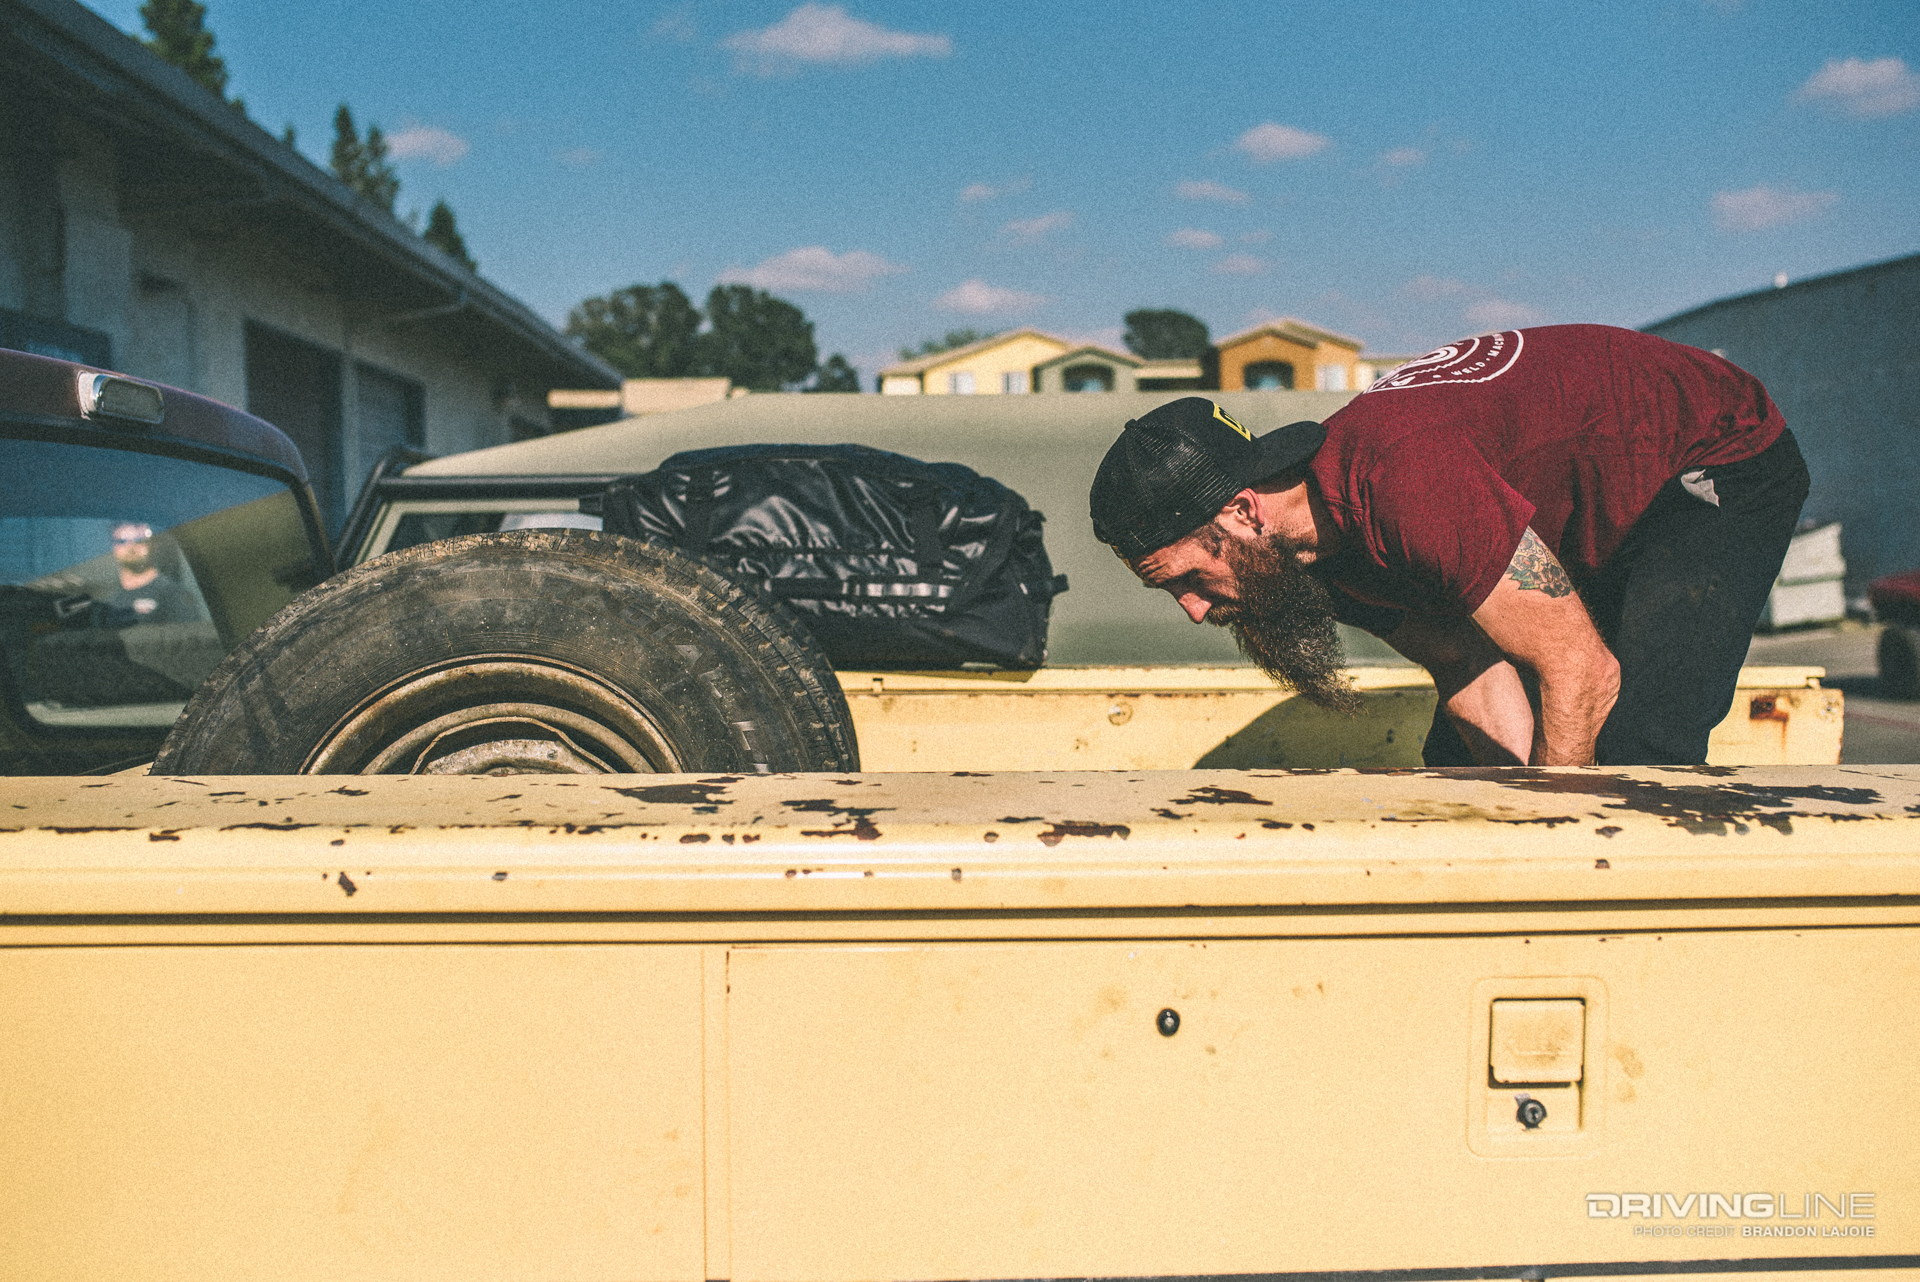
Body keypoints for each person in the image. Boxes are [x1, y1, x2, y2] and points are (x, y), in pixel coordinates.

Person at [1089, 324, 1809, 767]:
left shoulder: (1403, 483)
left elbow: (1579, 668)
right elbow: (1465, 660)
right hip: (1590, 496)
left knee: (1638, 749)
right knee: (1462, 767)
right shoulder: (1308, 559)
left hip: (1714, 452)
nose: (1189, 609)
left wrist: (1554, 841)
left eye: (1186, 577)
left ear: (1244, 512)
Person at [96, 520, 200, 628]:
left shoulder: (173, 594)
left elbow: (189, 639)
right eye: (122, 541)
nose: (131, 546)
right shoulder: (109, 602)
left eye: (139, 540)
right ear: (113, 547)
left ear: (153, 543)